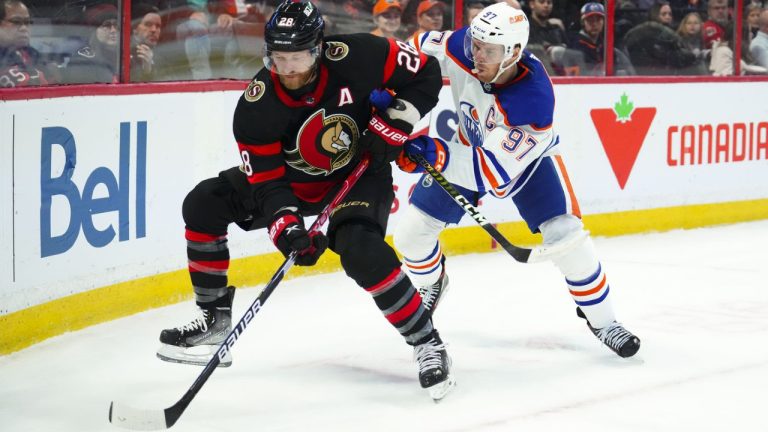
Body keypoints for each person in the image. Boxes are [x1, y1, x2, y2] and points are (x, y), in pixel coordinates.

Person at [156, 0, 456, 401]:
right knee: (204, 203)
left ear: (318, 48)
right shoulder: (256, 106)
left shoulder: (362, 54)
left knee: (360, 250)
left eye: (298, 57)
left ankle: (427, 342)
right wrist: (288, 228)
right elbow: (266, 184)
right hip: (293, 186)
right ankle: (214, 319)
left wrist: (395, 124)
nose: (290, 70)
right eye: (279, 59)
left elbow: (426, 74)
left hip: (359, 172)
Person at [393, 2, 641, 359]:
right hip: (469, 145)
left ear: (513, 53)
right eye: (476, 45)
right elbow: (415, 46)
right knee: (411, 235)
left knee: (568, 238)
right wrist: (392, 84)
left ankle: (604, 322)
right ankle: (434, 281)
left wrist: (435, 155)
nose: (476, 55)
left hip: (526, 163)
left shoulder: (532, 100)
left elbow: (491, 172)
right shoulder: (465, 46)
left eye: (488, 51)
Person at [624, 1, 704, 75]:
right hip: (656, 76)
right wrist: (693, 55)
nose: (668, 17)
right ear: (655, 14)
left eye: (670, 14)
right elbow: (673, 58)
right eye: (664, 14)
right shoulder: (653, 34)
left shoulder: (668, 33)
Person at [566, 2, 634, 76]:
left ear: (604, 22)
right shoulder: (575, 45)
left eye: (598, 20)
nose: (594, 24)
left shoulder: (605, 43)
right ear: (583, 22)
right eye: (590, 20)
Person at [0, 0, 56, 87]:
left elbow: (54, 81)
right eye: (16, 22)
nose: (24, 28)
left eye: (27, 22)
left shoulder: (32, 53)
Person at [63, 2, 120, 83]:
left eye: (116, 25)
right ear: (93, 30)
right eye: (106, 25)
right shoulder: (82, 61)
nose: (113, 30)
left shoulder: (128, 55)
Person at [131, 3, 162, 81]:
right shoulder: (123, 54)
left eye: (158, 26)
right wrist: (147, 72)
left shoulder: (166, 56)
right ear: (135, 29)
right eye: (148, 24)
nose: (154, 30)